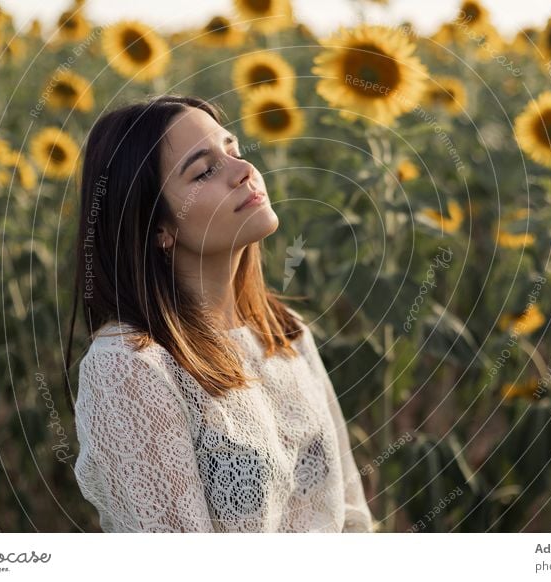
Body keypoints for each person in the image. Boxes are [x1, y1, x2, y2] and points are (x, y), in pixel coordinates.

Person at [63, 94, 375, 532]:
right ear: (158, 228)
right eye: (205, 170)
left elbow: (353, 516)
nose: (244, 171)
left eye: (234, 151)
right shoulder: (129, 368)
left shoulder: (283, 331)